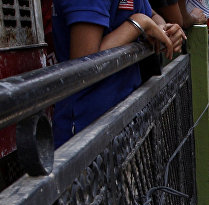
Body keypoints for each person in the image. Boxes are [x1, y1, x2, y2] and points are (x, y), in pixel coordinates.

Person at [51, 1, 183, 147]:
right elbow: (84, 65)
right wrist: (140, 24)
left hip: (123, 119)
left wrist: (162, 29)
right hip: (88, 128)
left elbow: (149, 13)